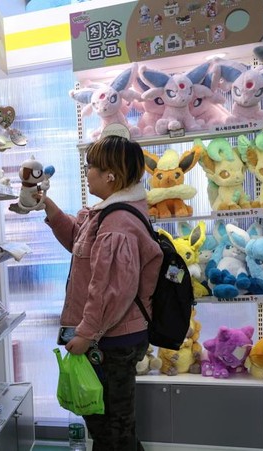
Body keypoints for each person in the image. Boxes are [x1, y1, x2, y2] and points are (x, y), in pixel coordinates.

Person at [41, 135, 163, 451]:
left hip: (111, 339)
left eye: (91, 166)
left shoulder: (118, 223)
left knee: (111, 425)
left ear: (110, 174)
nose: (87, 172)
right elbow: (79, 244)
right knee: (109, 421)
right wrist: (50, 208)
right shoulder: (108, 212)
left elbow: (111, 290)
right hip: (110, 336)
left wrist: (87, 334)